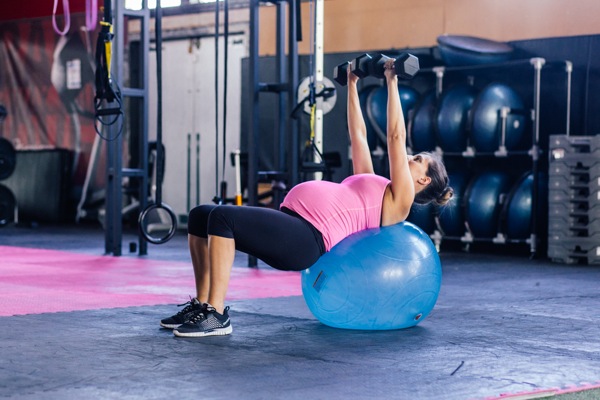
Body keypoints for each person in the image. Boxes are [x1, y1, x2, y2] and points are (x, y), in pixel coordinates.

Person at [161, 58, 453, 338]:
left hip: (306, 239)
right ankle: (201, 306)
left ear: (423, 180)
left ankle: (216, 314)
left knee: (223, 218)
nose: (408, 157)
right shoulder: (377, 184)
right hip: (294, 222)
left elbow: (395, 137)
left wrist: (392, 80)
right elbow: (358, 136)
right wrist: (351, 83)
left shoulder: (399, 202)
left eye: (416, 160)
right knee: (201, 215)